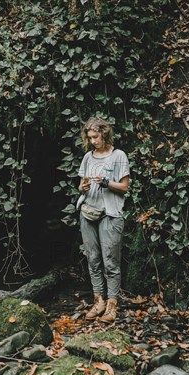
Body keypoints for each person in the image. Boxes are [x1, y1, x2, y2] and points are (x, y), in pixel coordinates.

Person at [77, 117, 129, 323]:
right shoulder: (88, 158)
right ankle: (98, 301)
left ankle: (112, 306)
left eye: (95, 137)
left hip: (110, 214)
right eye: (89, 138)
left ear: (105, 134)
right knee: (93, 259)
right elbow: (81, 185)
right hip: (88, 212)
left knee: (111, 262)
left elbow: (124, 187)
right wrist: (83, 187)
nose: (92, 141)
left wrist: (107, 182)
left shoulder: (119, 156)